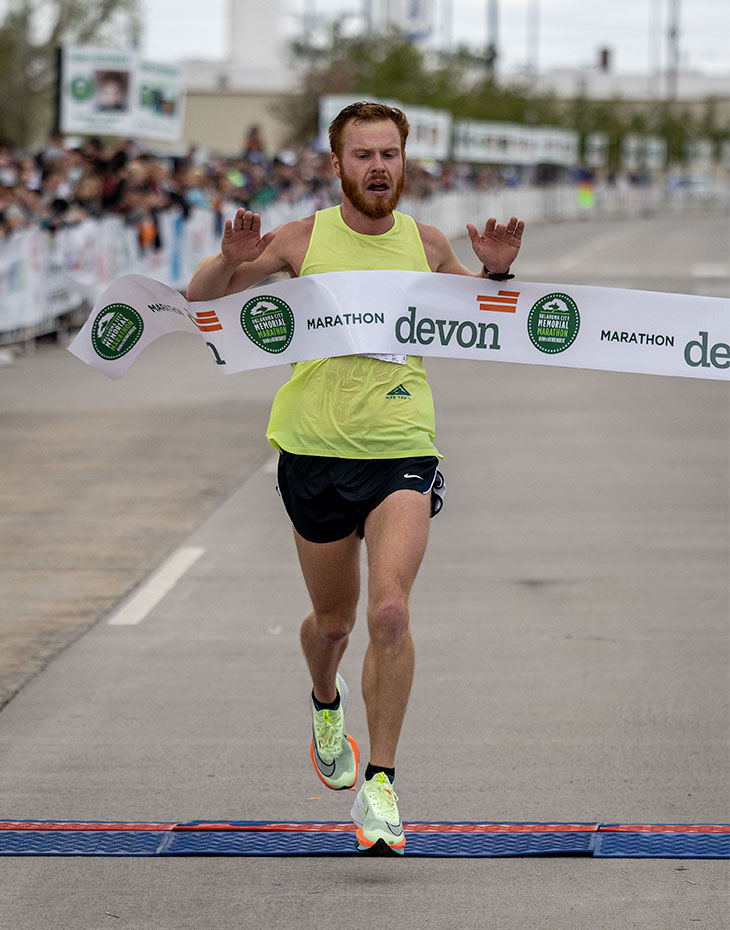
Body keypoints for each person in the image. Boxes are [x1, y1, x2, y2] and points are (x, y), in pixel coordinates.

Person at [186, 101, 524, 855]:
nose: (379, 167)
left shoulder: (426, 242)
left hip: (402, 448)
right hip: (311, 453)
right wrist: (231, 258)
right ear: (336, 165)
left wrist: (498, 272)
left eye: (391, 155)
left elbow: (491, 315)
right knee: (334, 624)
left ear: (406, 163)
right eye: (364, 155)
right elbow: (202, 300)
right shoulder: (304, 238)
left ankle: (381, 786)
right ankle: (324, 697)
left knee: (391, 614)